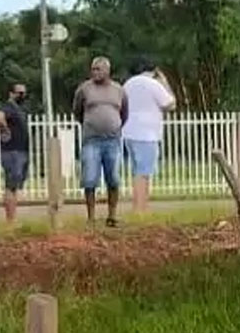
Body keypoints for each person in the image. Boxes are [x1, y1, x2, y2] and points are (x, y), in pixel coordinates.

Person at [73, 56, 128, 227]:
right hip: (91, 140)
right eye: (93, 69)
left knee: (113, 179)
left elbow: (124, 113)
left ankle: (112, 216)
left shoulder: (119, 90)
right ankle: (91, 218)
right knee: (89, 179)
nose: (94, 72)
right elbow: (77, 111)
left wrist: (115, 126)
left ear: (107, 71)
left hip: (112, 140)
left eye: (98, 69)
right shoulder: (84, 89)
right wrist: (90, 124)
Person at [122, 57, 176, 213]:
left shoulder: (128, 84)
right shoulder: (153, 84)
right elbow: (170, 104)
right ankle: (140, 208)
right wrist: (165, 82)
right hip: (147, 134)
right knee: (144, 172)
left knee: (137, 171)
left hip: (129, 132)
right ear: (154, 71)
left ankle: (139, 207)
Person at [0, 82, 30, 225]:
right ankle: (10, 221)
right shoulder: (9, 107)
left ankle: (13, 219)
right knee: (11, 186)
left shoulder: (19, 109)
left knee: (15, 187)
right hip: (12, 152)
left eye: (24, 93)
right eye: (19, 93)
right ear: (11, 94)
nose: (22, 95)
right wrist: (5, 129)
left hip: (20, 151)